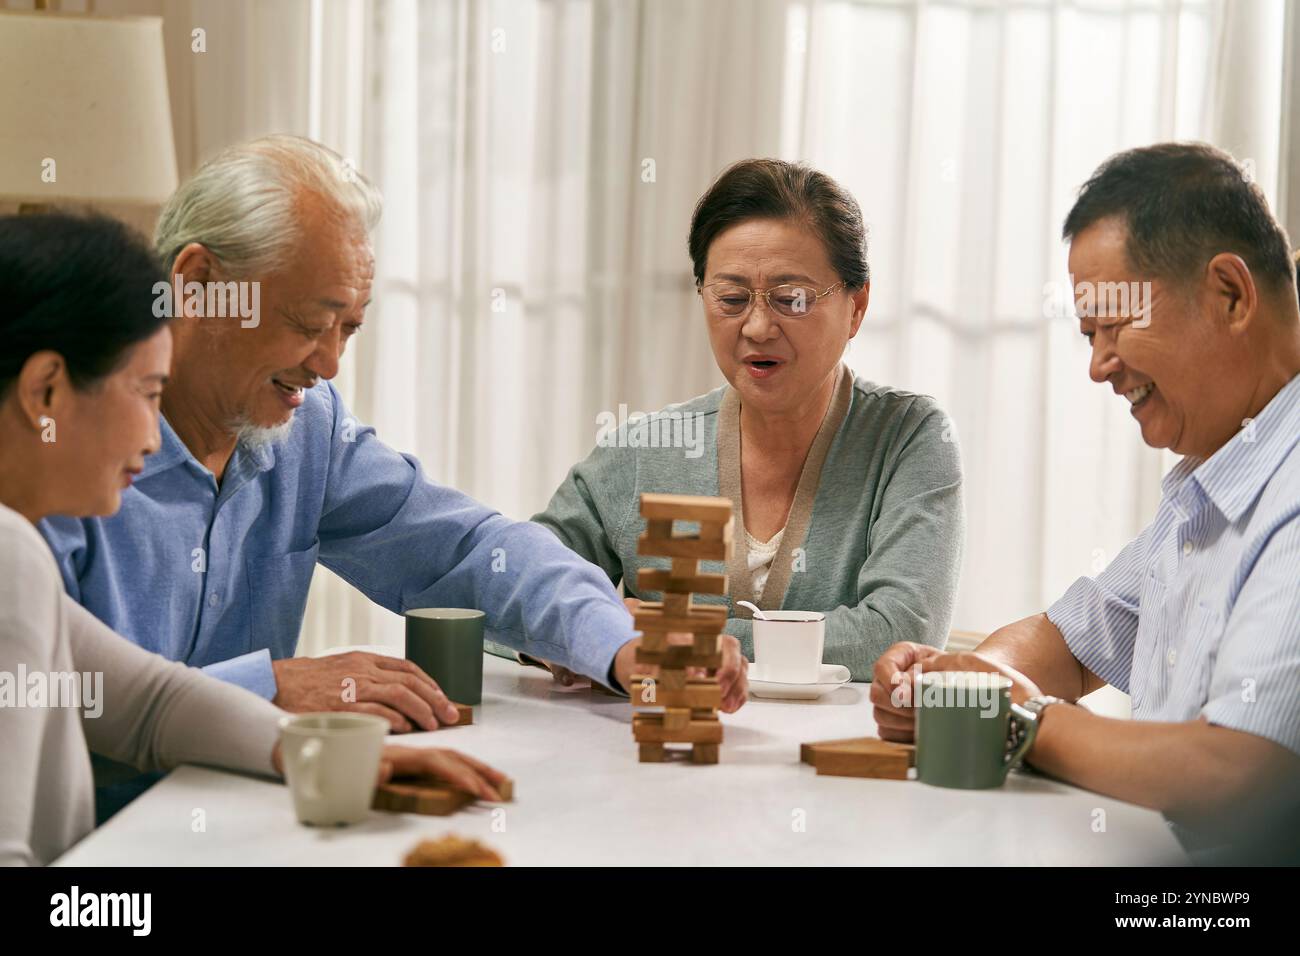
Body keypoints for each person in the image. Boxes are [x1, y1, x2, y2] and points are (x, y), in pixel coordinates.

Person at [37, 135, 748, 735]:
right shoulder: (63, 446)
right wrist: (266, 687)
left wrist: (623, 646)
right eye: (309, 324)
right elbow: (47, 698)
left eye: (349, 328)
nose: (328, 363)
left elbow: (469, 549)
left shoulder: (306, 426)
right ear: (198, 283)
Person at [0, 212, 505, 866]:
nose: (156, 441)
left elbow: (149, 705)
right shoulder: (10, 556)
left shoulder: (19, 560)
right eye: (148, 393)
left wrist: (351, 760)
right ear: (46, 390)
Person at [871, 142, 1300, 861]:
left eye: (1114, 325)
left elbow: (1239, 770)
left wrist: (1017, 717)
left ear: (1230, 293)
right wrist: (962, 682)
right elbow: (1071, 641)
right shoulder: (1212, 479)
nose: (1100, 366)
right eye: (1088, 336)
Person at [534, 159, 964, 684]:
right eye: (732, 299)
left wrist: (670, 637)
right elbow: (506, 593)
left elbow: (897, 635)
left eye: (792, 299)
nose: (758, 327)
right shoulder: (647, 449)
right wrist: (574, 634)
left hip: (828, 763)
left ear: (857, 305)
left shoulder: (910, 438)